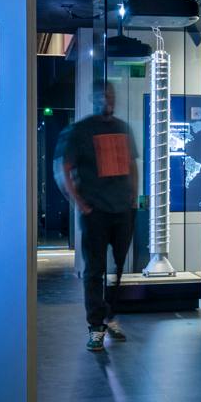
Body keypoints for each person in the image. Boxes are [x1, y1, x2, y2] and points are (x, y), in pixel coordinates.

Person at [62, 83, 138, 352]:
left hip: (122, 210)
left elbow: (132, 165)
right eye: (103, 96)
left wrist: (133, 199)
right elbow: (67, 168)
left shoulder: (122, 128)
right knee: (94, 270)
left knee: (118, 268)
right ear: (93, 99)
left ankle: (111, 315)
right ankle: (96, 326)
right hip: (96, 212)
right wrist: (81, 203)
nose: (108, 100)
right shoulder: (82, 130)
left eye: (111, 95)